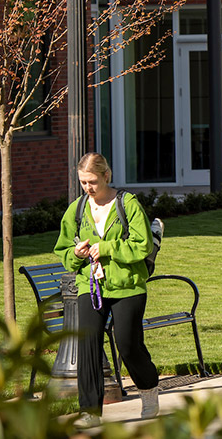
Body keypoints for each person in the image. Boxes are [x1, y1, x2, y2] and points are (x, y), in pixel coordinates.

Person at [53, 153, 159, 426]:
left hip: (127, 285)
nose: (88, 188)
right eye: (83, 182)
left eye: (92, 182)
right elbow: (63, 250)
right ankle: (90, 410)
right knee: (88, 344)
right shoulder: (76, 210)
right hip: (91, 284)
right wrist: (76, 254)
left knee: (127, 345)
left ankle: (148, 389)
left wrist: (107, 247)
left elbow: (142, 245)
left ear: (106, 176)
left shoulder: (128, 204)